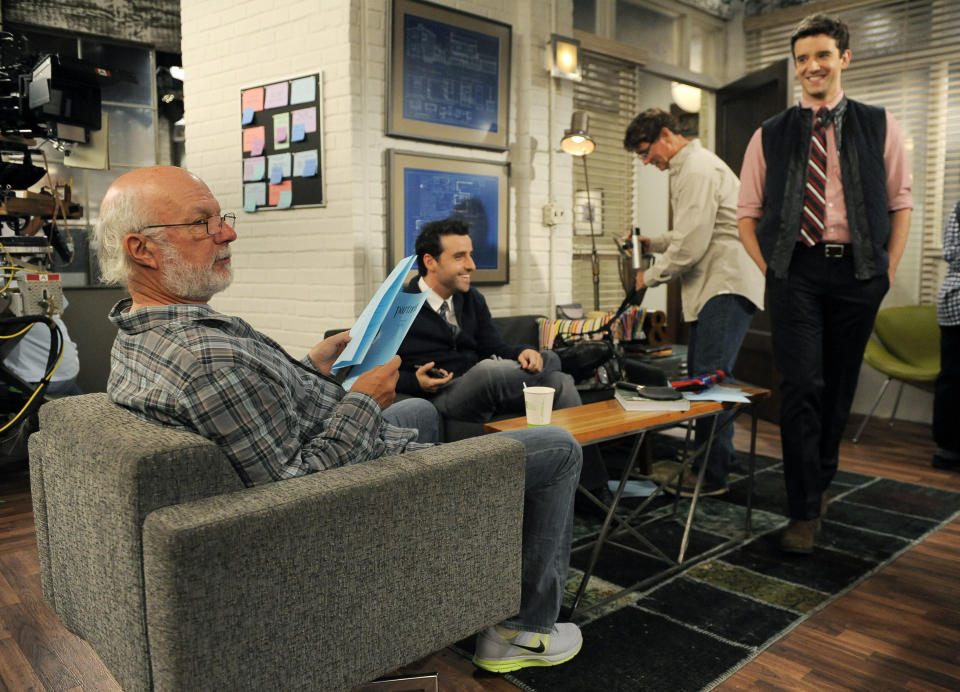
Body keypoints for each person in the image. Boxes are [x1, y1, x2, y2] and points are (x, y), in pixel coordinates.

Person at [92, 165, 583, 673]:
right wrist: (366, 401)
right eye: (202, 223)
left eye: (222, 218)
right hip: (352, 501)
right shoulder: (208, 361)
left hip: (348, 454)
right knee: (559, 448)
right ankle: (522, 630)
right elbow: (296, 489)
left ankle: (467, 559)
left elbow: (255, 412)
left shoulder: (148, 332)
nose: (228, 232)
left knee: (415, 410)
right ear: (142, 249)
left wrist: (309, 368)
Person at [737, 13, 913, 553]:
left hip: (858, 273)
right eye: (802, 59)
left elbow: (900, 203)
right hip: (797, 274)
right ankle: (802, 512)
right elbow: (747, 214)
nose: (811, 66)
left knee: (836, 390)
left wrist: (886, 269)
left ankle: (821, 483)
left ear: (844, 59)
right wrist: (774, 272)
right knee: (801, 389)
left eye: (822, 56)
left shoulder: (881, 125)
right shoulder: (769, 134)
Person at [395, 218, 611, 508]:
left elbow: (495, 347)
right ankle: (561, 359)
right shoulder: (400, 306)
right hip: (445, 395)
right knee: (490, 369)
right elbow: (372, 370)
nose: (471, 265)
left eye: (470, 255)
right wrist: (414, 380)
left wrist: (523, 352)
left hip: (486, 386)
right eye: (460, 256)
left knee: (560, 383)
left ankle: (591, 491)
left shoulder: (471, 299)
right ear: (430, 261)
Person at [621, 108, 764, 497]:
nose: (647, 161)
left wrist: (647, 276)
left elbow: (693, 244)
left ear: (667, 135)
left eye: (646, 151)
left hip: (724, 284)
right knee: (707, 377)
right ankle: (716, 461)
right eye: (641, 156)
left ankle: (710, 474)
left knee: (709, 381)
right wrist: (656, 243)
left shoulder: (698, 168)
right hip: (716, 286)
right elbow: (691, 230)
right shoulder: (691, 168)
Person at [933, 200, 959, 471]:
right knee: (952, 378)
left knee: (952, 378)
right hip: (956, 303)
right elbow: (953, 254)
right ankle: (947, 450)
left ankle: (947, 450)